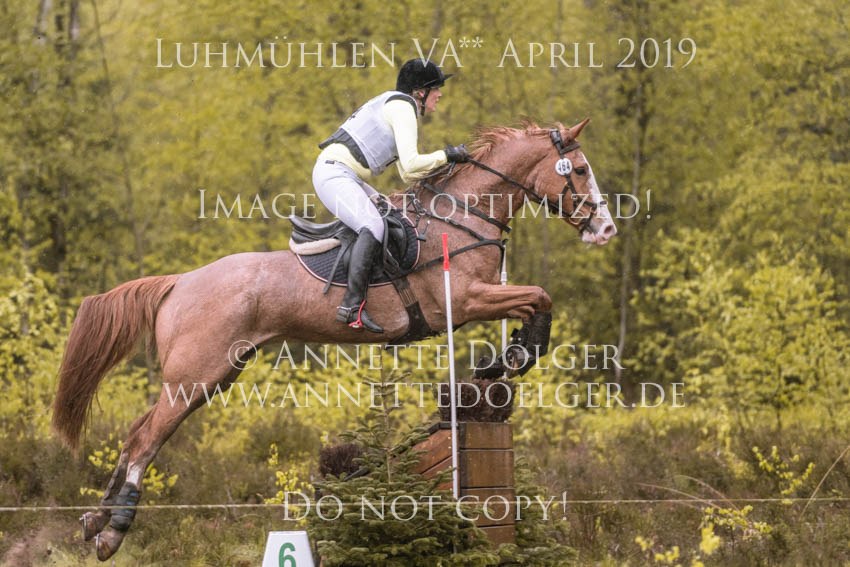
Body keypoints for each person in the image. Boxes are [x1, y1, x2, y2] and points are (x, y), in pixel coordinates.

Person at [313, 59, 469, 333]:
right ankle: (350, 306)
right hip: (334, 174)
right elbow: (411, 164)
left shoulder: (398, 106)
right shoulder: (403, 107)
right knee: (373, 225)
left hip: (346, 175)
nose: (440, 94)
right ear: (420, 92)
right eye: (436, 89)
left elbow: (407, 175)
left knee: (392, 216)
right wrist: (447, 154)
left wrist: (446, 164)